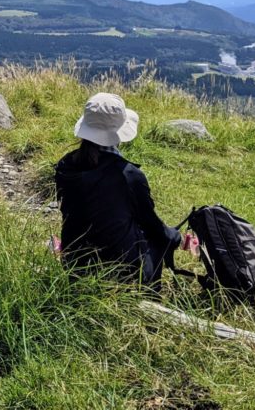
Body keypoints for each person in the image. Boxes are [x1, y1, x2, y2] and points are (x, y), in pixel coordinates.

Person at [54, 92, 181, 288]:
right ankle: (148, 293)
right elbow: (151, 225)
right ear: (119, 132)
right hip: (120, 272)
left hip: (75, 265)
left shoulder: (65, 165)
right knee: (156, 240)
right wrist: (174, 237)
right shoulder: (129, 175)